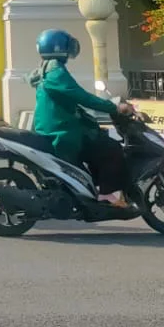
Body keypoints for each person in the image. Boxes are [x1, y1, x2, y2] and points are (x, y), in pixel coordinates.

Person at [29, 29, 136, 205]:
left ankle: (91, 188)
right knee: (111, 149)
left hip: (54, 127)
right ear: (59, 48)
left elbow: (70, 99)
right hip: (62, 132)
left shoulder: (44, 70)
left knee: (98, 145)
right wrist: (114, 107)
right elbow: (82, 97)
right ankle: (107, 194)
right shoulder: (57, 73)